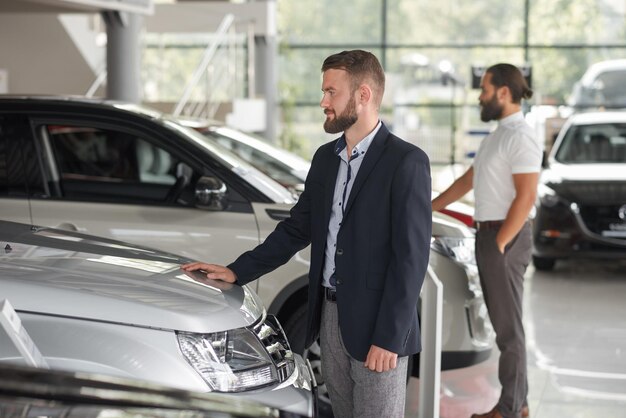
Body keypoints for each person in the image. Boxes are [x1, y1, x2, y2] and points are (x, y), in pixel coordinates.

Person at [182, 49, 432, 418]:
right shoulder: (325, 159)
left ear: (363, 95)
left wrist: (389, 337)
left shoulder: (406, 161)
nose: (323, 101)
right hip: (329, 318)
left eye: (332, 92)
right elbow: (298, 228)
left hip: (379, 326)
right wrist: (237, 271)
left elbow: (410, 258)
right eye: (324, 92)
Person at [432, 63, 541, 418]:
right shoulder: (497, 135)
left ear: (504, 93)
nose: (480, 96)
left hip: (503, 238)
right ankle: (518, 404)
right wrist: (429, 207)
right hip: (490, 234)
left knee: (509, 331)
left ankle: (508, 409)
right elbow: (470, 178)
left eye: (485, 89)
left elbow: (526, 197)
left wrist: (499, 244)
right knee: (505, 326)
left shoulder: (520, 136)